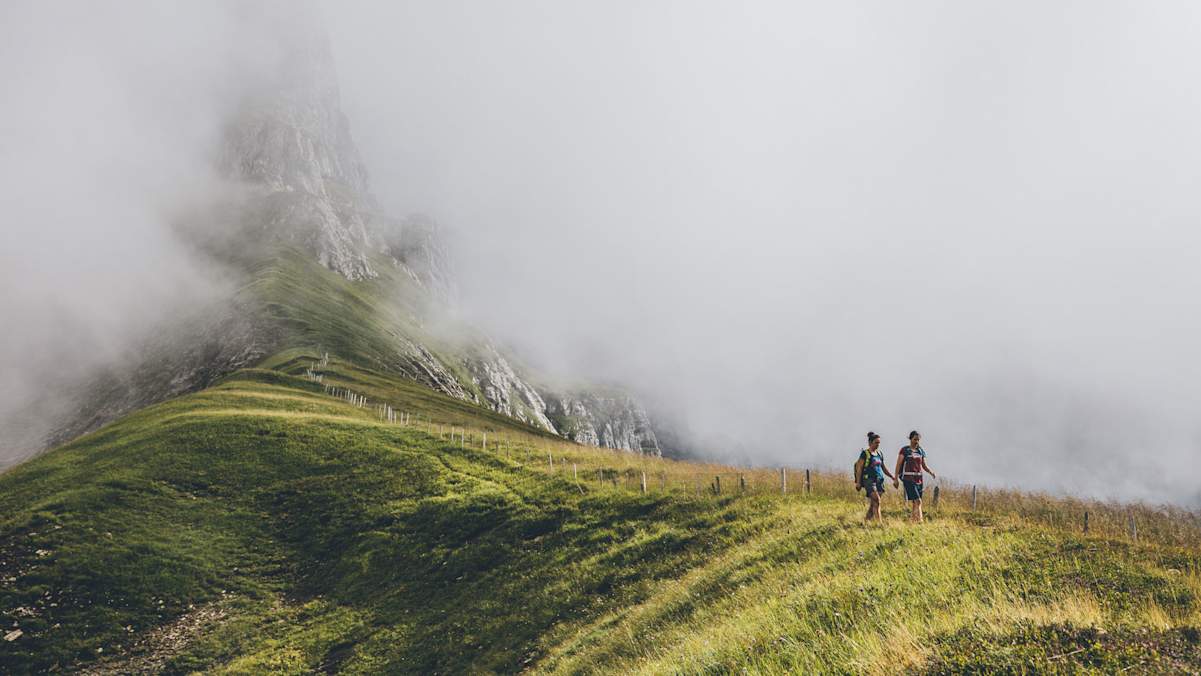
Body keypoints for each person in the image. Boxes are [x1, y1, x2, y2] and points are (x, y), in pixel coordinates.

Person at [854, 432, 899, 524]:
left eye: (879, 443)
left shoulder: (879, 453)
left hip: (879, 480)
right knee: (877, 500)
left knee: (874, 503)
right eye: (876, 442)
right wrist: (858, 482)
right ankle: (879, 523)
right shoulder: (865, 454)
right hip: (869, 479)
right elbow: (859, 468)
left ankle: (866, 521)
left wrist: (892, 477)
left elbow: (883, 467)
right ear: (870, 442)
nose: (878, 445)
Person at [895, 430, 937, 523]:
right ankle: (920, 521)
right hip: (908, 478)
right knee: (918, 501)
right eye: (915, 439)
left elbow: (924, 465)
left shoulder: (920, 451)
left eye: (918, 440)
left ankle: (913, 521)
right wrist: (895, 479)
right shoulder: (905, 450)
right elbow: (898, 464)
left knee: (916, 502)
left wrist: (931, 472)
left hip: (918, 479)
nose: (916, 441)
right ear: (910, 439)